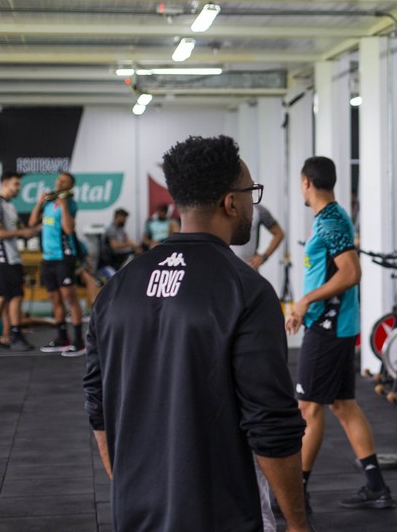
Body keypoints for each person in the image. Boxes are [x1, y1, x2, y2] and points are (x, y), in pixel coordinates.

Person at [83, 135, 308, 532]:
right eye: (251, 193)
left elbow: (97, 404)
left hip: (134, 513)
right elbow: (271, 422)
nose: (252, 206)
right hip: (221, 515)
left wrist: (128, 487)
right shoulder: (246, 290)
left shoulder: (117, 287)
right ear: (230, 201)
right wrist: (297, 523)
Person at [285, 156, 394, 511]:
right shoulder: (330, 218)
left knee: (308, 409)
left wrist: (304, 302)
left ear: (306, 182)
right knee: (343, 405)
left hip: (329, 329)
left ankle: (298, 494)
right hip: (334, 325)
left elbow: (350, 273)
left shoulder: (330, 221)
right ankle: (376, 486)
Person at [28, 171, 87, 357]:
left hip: (64, 256)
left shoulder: (70, 204)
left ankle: (79, 341)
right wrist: (39, 202)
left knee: (70, 297)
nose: (60, 183)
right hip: (48, 258)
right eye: (59, 180)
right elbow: (31, 223)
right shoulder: (48, 204)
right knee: (54, 298)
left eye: (64, 181)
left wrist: (63, 205)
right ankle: (63, 338)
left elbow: (69, 229)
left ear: (70, 186)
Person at [0, 171, 40, 352]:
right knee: (15, 295)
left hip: (11, 256)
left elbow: (21, 229)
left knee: (2, 295)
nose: (18, 189)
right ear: (5, 183)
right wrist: (21, 233)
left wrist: (33, 229)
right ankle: (16, 335)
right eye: (16, 184)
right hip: (4, 258)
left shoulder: (10, 206)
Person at [230, 203, 285, 271]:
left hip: (249, 269)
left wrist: (264, 257)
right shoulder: (222, 208)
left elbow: (279, 233)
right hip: (227, 269)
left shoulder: (259, 210)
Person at [99, 208, 141, 276]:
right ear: (118, 217)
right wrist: (129, 244)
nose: (125, 221)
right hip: (112, 257)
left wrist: (135, 246)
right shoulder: (111, 229)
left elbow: (126, 240)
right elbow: (114, 246)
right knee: (131, 255)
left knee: (138, 253)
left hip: (120, 254)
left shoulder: (121, 229)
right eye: (124, 218)